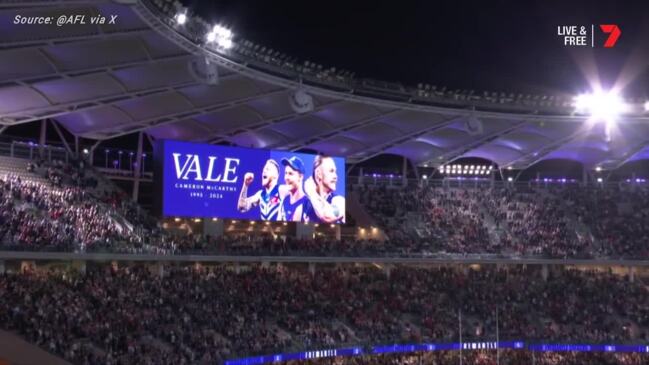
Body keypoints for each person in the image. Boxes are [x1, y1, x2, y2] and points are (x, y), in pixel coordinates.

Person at [302, 155, 345, 224]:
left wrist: (311, 192)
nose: (336, 176)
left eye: (335, 172)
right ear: (319, 174)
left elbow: (328, 216)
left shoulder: (339, 201)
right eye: (331, 171)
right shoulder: (306, 204)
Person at [279, 156, 306, 221]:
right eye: (286, 173)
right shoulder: (285, 200)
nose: (286, 178)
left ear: (301, 177)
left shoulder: (307, 204)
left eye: (290, 174)